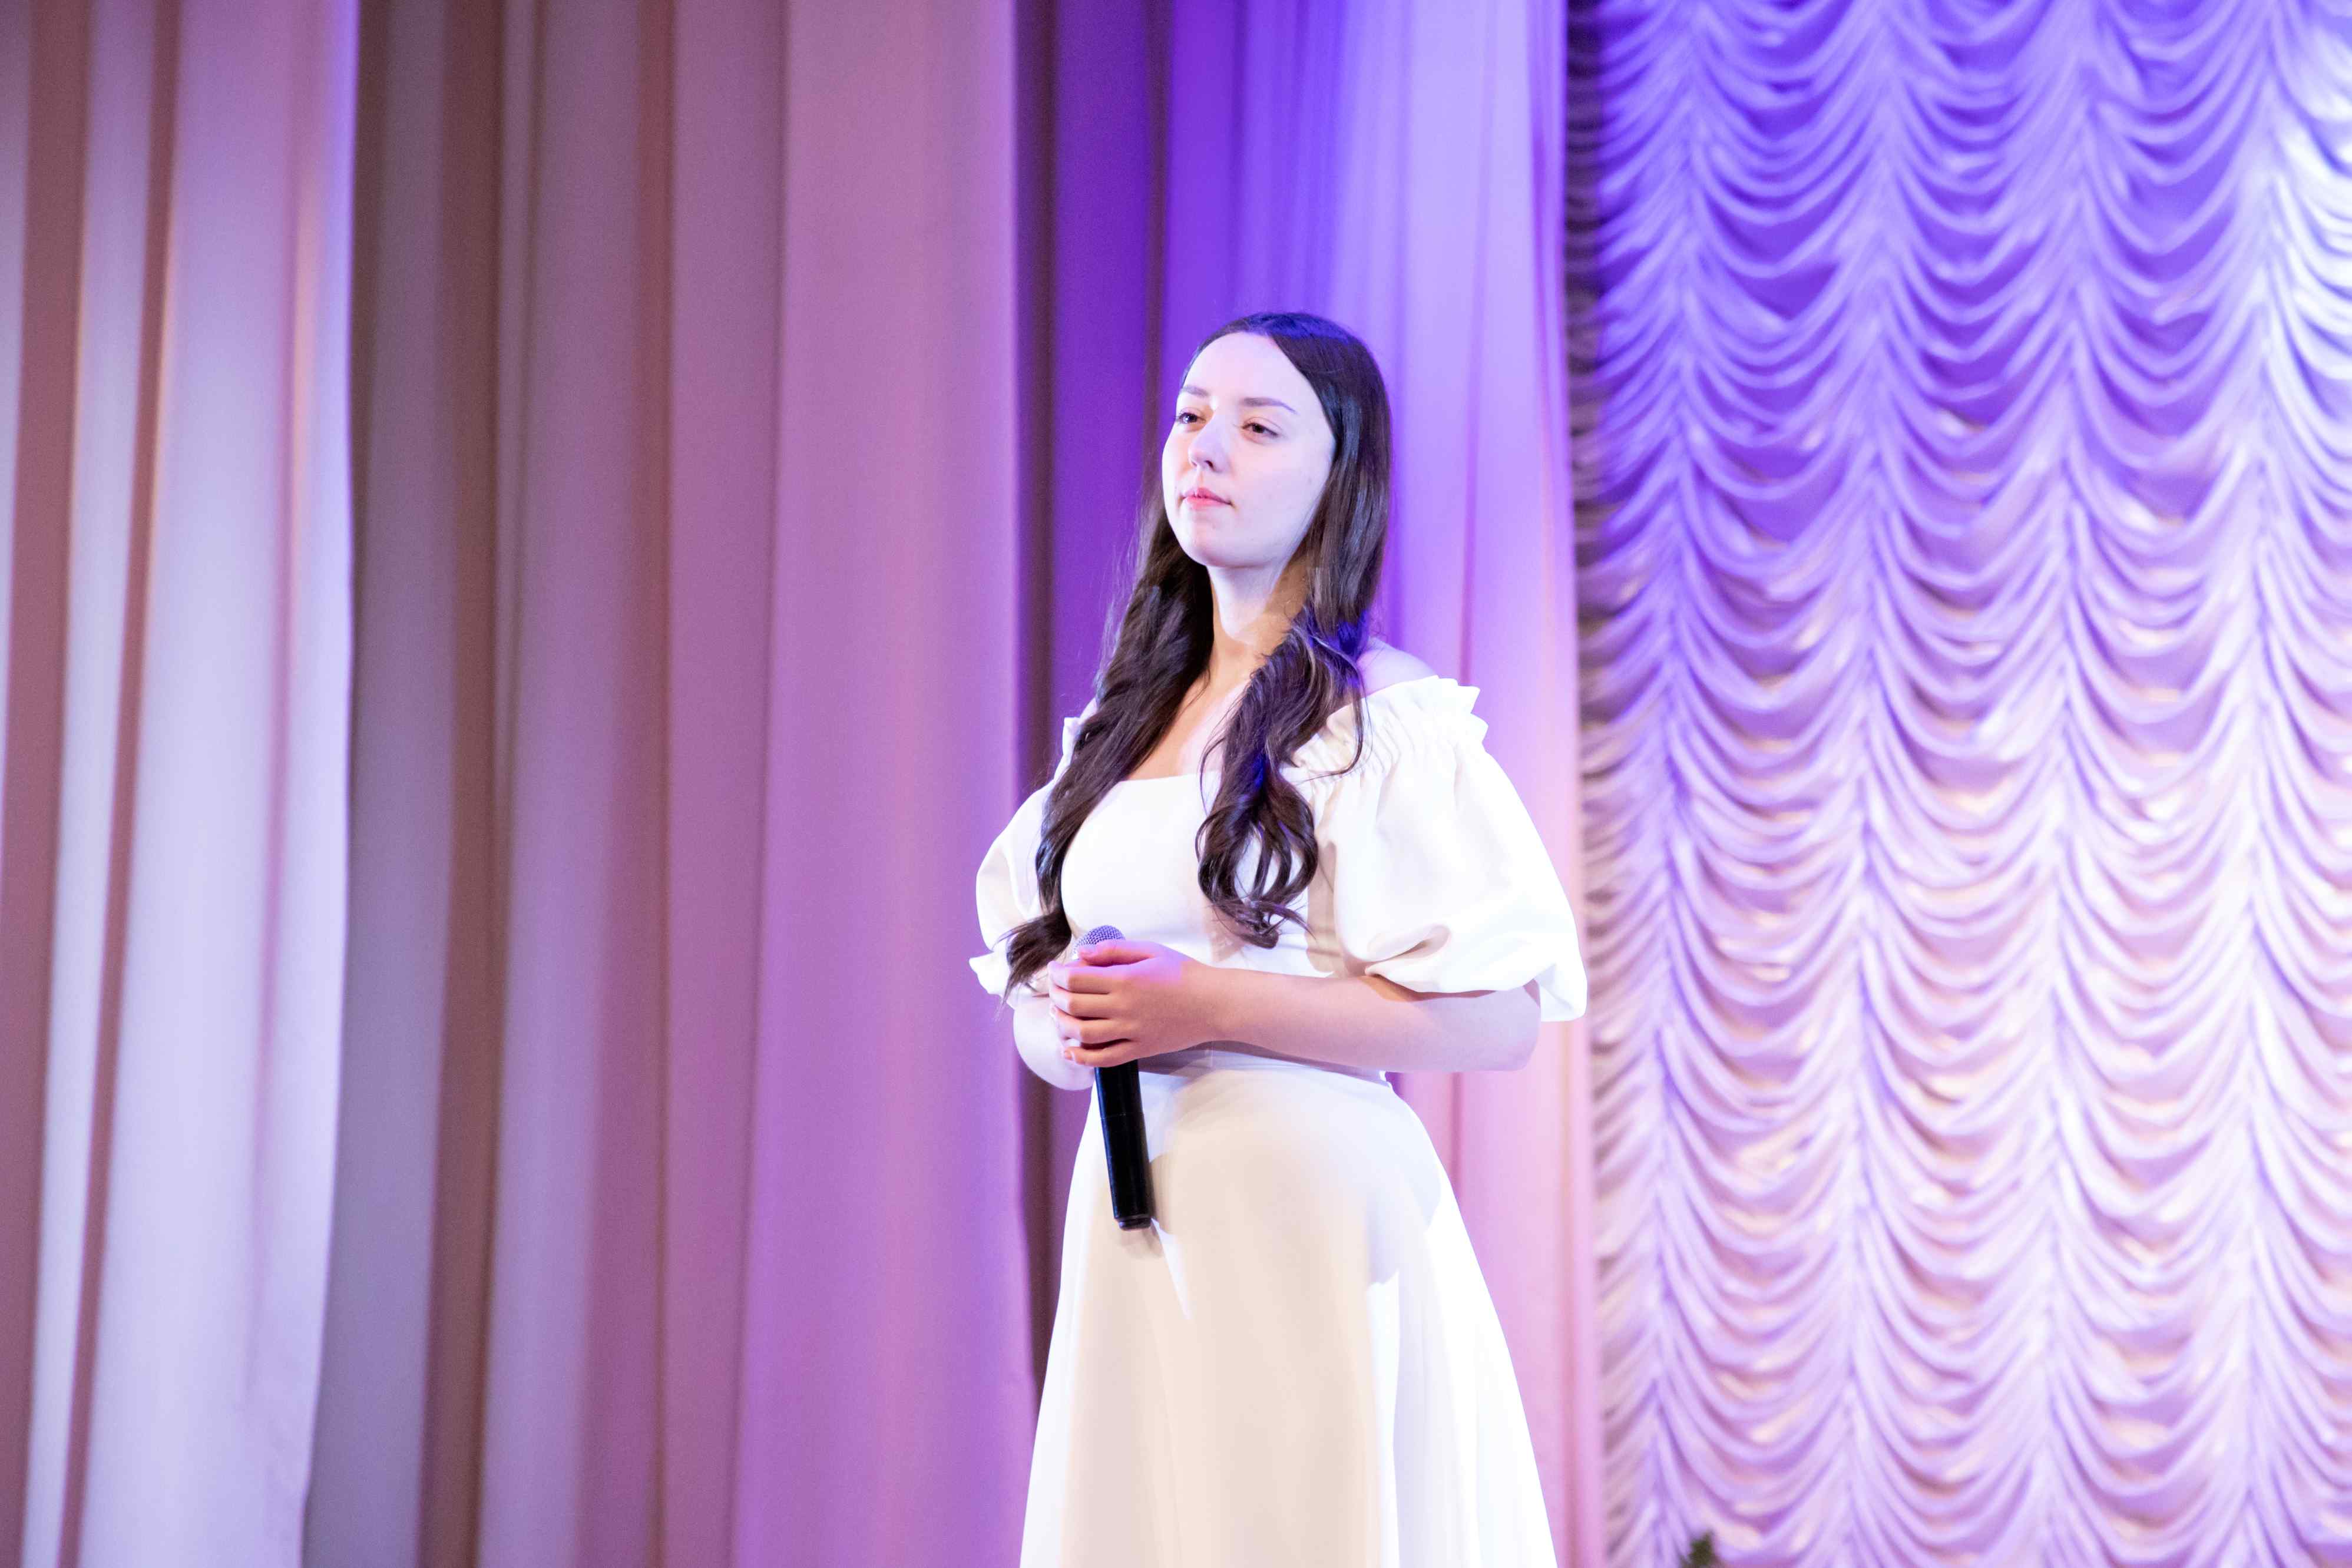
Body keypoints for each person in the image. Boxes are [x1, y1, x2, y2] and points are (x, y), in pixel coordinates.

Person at [969, 310, 1586, 1566]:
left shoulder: (1379, 714)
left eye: (1258, 426)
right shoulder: (1115, 728)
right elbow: (1032, 988)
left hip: (1308, 1219)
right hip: (1136, 1219)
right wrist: (1069, 1024)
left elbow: (1502, 1016)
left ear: (1337, 475)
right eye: (1191, 415)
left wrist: (1207, 1005)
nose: (1205, 448)